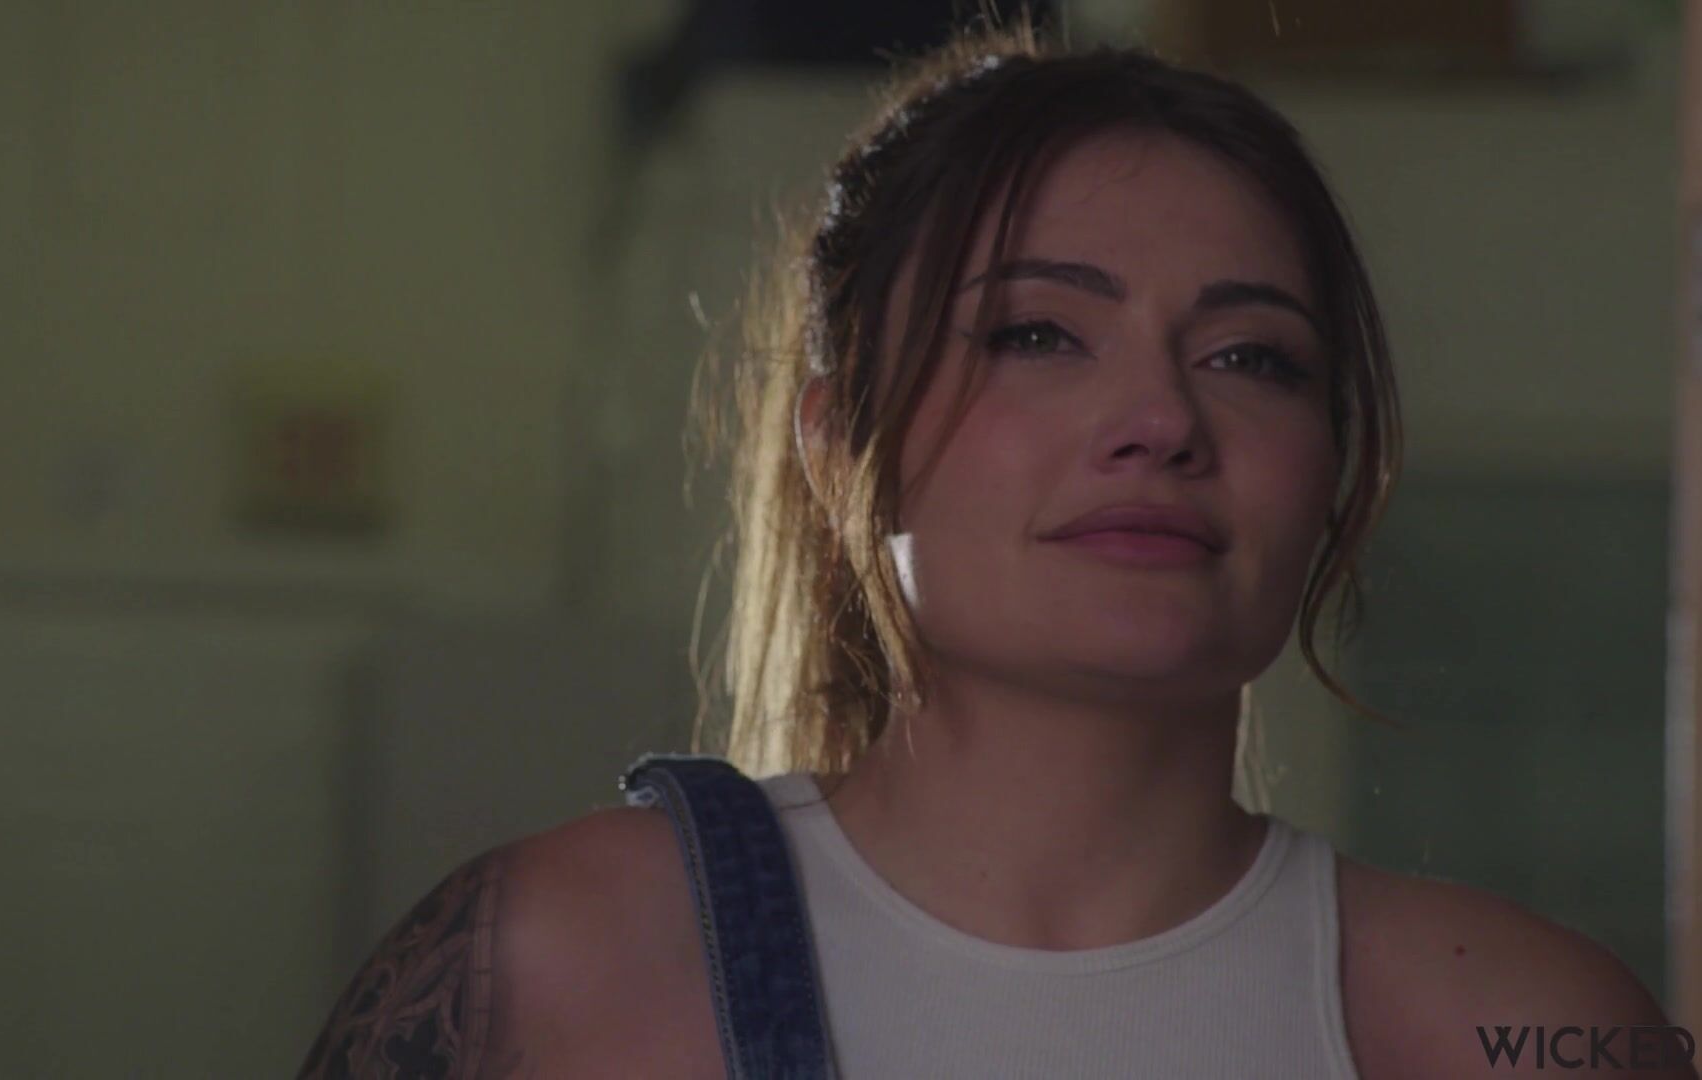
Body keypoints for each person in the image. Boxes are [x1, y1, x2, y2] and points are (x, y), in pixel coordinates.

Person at [296, 16, 1690, 1079]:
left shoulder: (1520, 1028)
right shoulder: (549, 967)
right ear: (838, 443)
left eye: (1251, 357)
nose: (1161, 420)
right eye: (1037, 334)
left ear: (1335, 468)